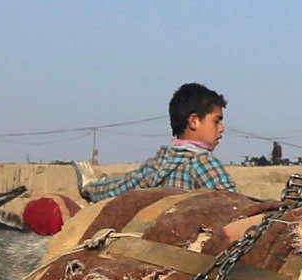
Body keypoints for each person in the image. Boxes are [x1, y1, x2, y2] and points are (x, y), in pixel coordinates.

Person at [82, 83, 238, 200]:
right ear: (194, 121)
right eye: (216, 121)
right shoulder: (203, 164)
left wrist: (90, 189)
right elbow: (233, 205)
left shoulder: (158, 163)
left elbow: (119, 188)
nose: (221, 128)